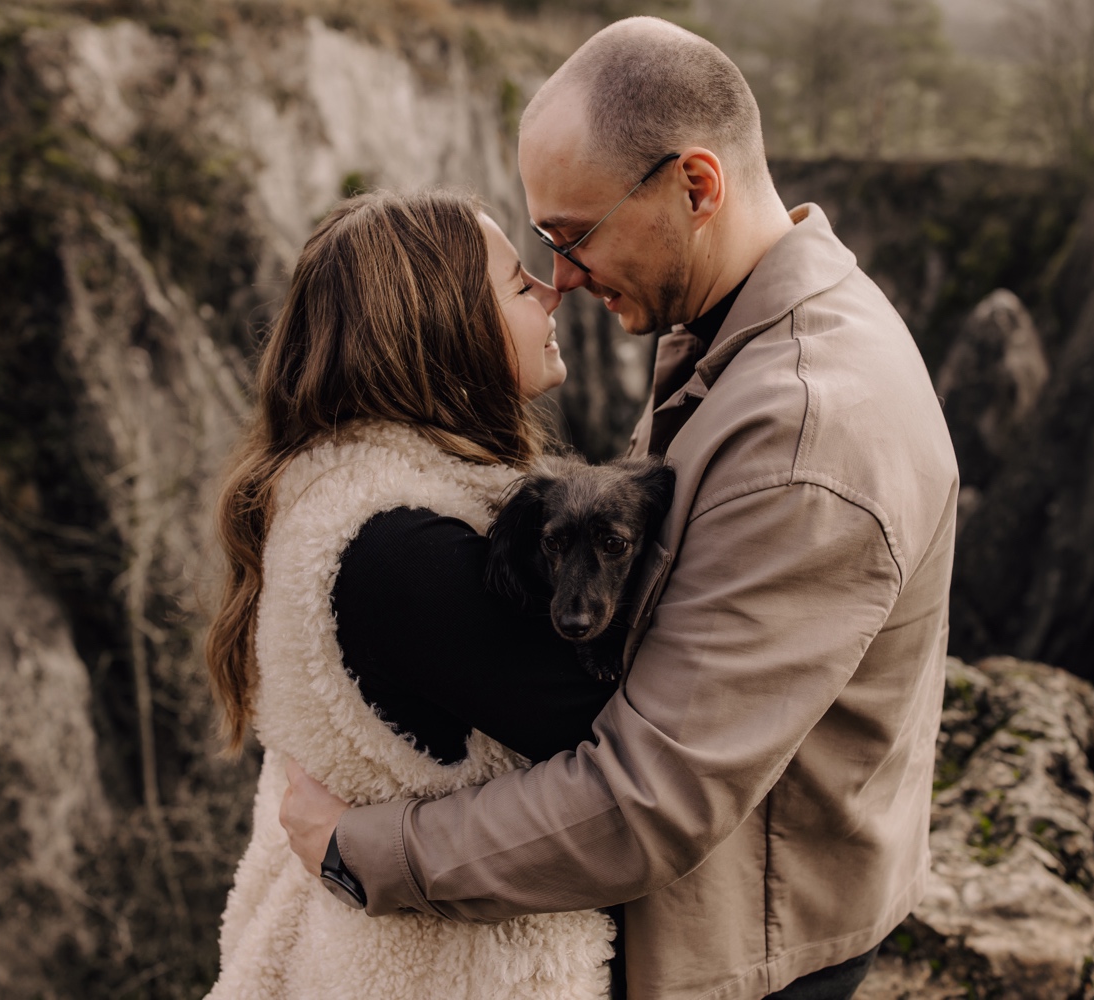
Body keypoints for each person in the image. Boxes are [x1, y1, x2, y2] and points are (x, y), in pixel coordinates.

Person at [278, 16, 960, 1000]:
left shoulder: (804, 434)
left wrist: (359, 848)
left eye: (573, 235)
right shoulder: (734, 331)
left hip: (749, 958)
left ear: (695, 185)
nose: (560, 278)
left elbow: (650, 799)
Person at [203, 189, 627, 998]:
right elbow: (642, 728)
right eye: (515, 284)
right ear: (448, 329)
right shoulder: (401, 550)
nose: (553, 288)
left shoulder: (343, 502)